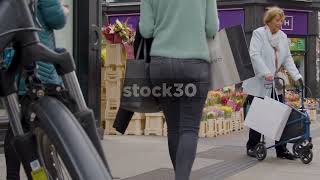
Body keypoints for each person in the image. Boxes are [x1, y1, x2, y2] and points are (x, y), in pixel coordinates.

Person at [139, 0, 219, 179]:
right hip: (195, 66)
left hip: (161, 66)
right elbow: (212, 28)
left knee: (174, 128)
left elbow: (146, 30)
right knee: (189, 129)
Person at [4, 0, 68, 179]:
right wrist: (63, 10)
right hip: (41, 73)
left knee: (17, 130)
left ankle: (14, 176)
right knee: (45, 131)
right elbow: (56, 19)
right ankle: (43, 175)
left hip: (17, 73)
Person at [242, 7, 303, 160]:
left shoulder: (283, 36)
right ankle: (252, 146)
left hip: (275, 83)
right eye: (277, 20)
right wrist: (266, 72)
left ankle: (281, 150)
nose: (280, 23)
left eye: (282, 21)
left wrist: (297, 76)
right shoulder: (259, 33)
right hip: (259, 81)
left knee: (280, 115)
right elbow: (254, 54)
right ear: (268, 20)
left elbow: (288, 58)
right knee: (259, 116)